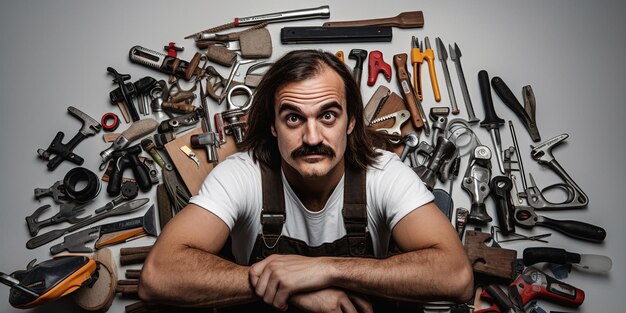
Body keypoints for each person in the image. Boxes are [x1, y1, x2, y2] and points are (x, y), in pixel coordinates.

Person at [139, 49, 473, 312]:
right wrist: (293, 289)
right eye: (294, 118)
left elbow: (456, 277)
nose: (312, 136)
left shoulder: (384, 173)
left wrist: (326, 270)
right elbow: (158, 276)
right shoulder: (241, 174)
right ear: (273, 126)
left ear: (351, 122)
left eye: (328, 115)